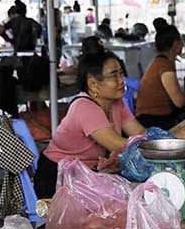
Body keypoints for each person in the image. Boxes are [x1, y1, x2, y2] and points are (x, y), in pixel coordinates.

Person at [33, 49, 145, 198]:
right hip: (57, 179)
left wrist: (168, 138)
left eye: (121, 73)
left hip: (87, 175)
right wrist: (164, 141)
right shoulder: (84, 107)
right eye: (114, 75)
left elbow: (140, 134)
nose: (121, 80)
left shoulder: (117, 103)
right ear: (93, 83)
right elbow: (119, 145)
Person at [136, 24, 185, 131]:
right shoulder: (164, 66)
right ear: (176, 44)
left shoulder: (161, 61)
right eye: (180, 41)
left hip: (155, 117)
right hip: (153, 121)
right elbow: (179, 102)